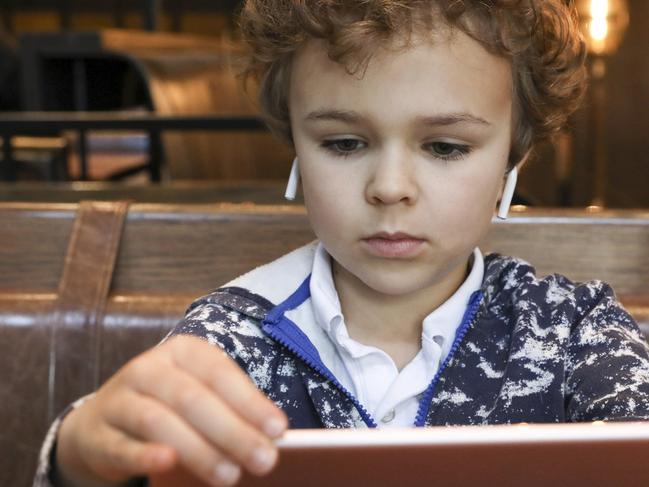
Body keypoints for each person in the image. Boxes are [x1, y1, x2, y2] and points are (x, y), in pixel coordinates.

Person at [34, 1, 649, 486]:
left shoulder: (573, 332)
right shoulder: (229, 340)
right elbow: (137, 455)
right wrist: (80, 460)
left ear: (513, 159)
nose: (389, 189)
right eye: (344, 143)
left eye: (445, 147)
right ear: (296, 144)